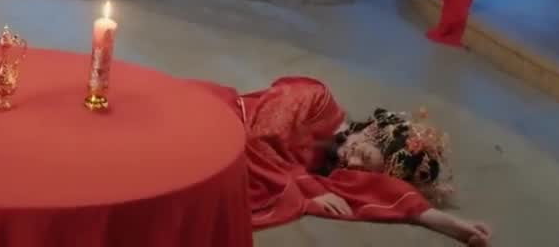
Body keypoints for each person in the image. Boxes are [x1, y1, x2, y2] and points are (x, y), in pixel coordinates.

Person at [196, 77, 493, 245]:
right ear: (372, 131)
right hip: (215, 115)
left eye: (361, 166)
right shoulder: (316, 99)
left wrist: (451, 224)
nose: (351, 161)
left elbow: (378, 192)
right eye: (363, 154)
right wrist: (305, 186)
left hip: (227, 154)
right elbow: (258, 137)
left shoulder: (335, 164)